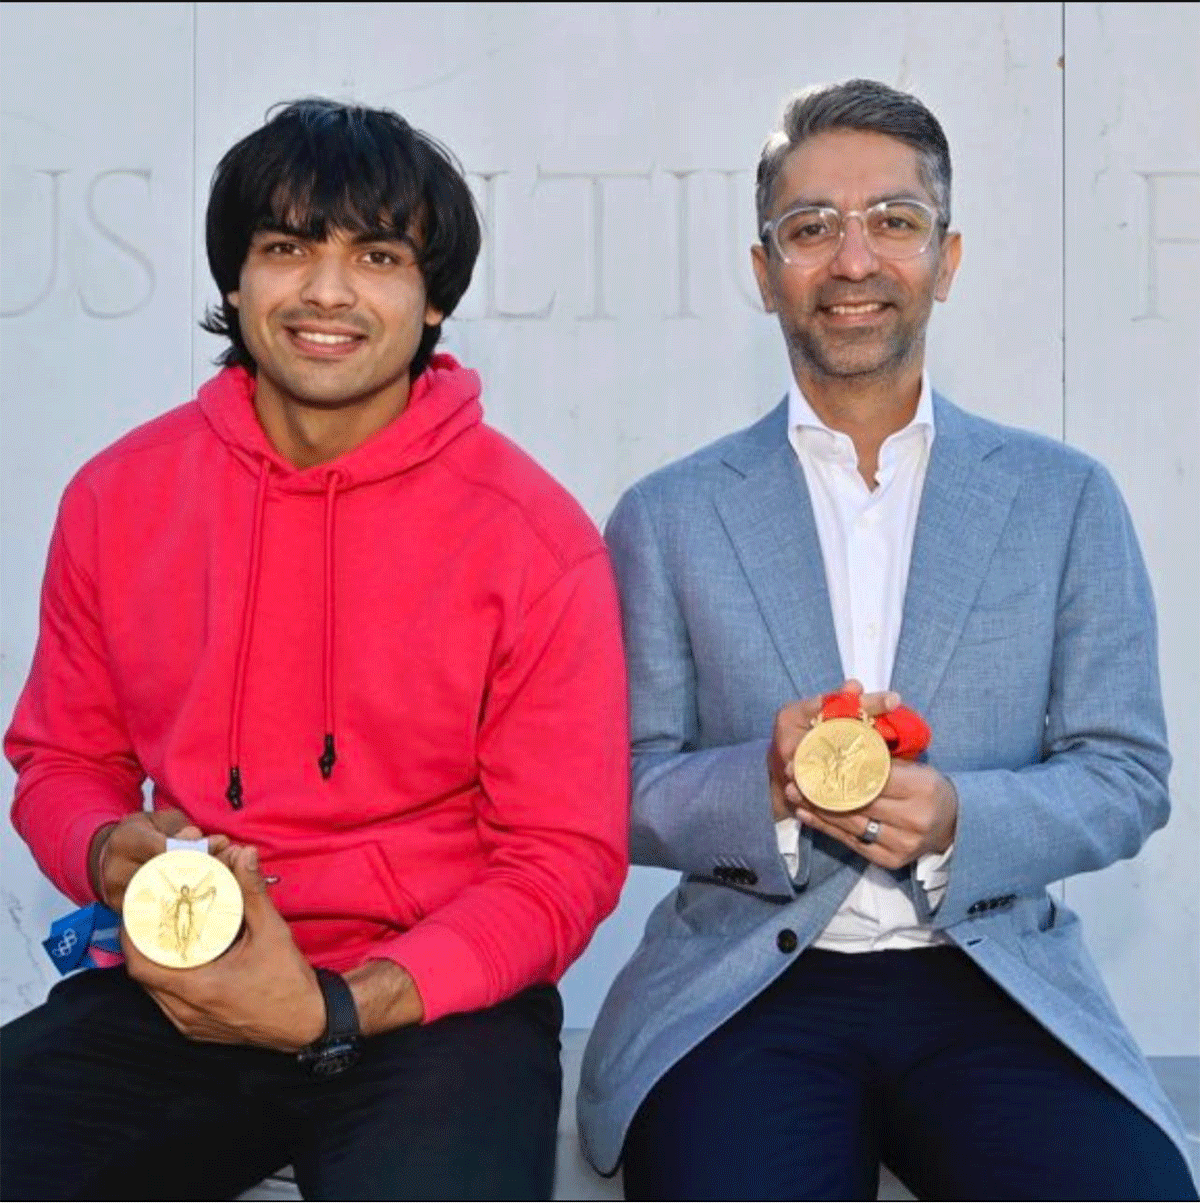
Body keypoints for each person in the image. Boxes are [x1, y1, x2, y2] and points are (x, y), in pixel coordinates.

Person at [577, 78, 1197, 1200]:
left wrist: (964, 814)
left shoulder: (1063, 499)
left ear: (946, 259)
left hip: (990, 975)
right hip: (743, 989)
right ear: (765, 273)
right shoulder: (667, 516)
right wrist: (759, 787)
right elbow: (618, 783)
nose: (853, 260)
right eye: (811, 228)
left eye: (894, 223)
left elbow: (1127, 773)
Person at [2, 97, 629, 1201]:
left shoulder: (536, 540)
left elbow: (561, 860)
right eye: (286, 248)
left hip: (434, 1004)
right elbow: (60, 762)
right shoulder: (117, 499)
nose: (327, 292)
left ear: (435, 299)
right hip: (177, 986)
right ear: (235, 283)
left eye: (376, 255)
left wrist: (339, 1006)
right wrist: (112, 852)